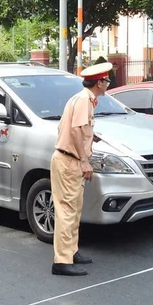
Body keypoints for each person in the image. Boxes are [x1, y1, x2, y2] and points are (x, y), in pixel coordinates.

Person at [49, 62, 113, 277]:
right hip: (70, 161)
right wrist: (84, 160)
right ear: (99, 83)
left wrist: (90, 138)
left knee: (74, 210)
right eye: (107, 80)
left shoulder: (84, 99)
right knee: (67, 211)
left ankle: (71, 251)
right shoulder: (84, 100)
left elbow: (70, 128)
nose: (108, 83)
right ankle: (62, 261)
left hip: (69, 159)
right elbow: (76, 131)